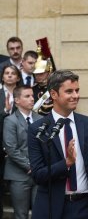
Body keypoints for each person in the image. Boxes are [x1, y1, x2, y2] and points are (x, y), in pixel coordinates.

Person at [28, 70, 88, 219]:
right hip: (52, 207)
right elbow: (38, 175)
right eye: (69, 91)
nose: (76, 95)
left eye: (77, 90)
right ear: (54, 94)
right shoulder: (38, 129)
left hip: (87, 207)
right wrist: (66, 163)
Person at [3, 85, 41, 219]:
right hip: (18, 175)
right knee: (21, 214)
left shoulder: (40, 119)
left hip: (39, 174)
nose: (32, 99)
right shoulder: (10, 121)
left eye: (32, 96)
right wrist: (29, 166)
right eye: (27, 96)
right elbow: (11, 148)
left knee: (40, 213)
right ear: (17, 100)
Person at [0, 64, 22, 218]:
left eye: (12, 73)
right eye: (6, 73)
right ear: (2, 77)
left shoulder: (24, 94)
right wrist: (6, 112)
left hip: (19, 145)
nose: (9, 75)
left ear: (18, 77)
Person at [32, 44, 54, 116]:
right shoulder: (31, 90)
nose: (38, 76)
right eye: (36, 73)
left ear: (48, 72)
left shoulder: (55, 88)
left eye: (41, 73)